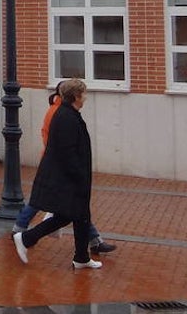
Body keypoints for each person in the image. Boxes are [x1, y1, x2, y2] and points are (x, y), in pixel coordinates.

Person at [11, 81, 115, 254]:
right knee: (56, 206)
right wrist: (77, 171)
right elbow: (57, 141)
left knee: (70, 208)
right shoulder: (60, 113)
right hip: (57, 168)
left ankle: (91, 245)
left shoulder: (64, 112)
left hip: (58, 166)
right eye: (83, 94)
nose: (85, 98)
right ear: (73, 96)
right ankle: (22, 232)